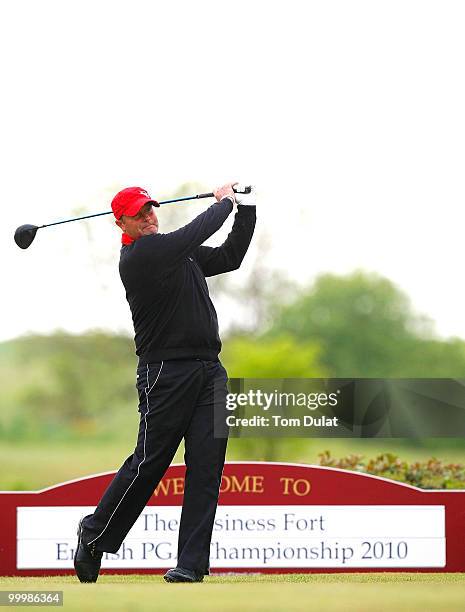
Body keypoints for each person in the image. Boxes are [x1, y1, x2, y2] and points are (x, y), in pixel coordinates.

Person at [73, 181, 256, 583]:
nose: (149, 217)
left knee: (207, 468)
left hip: (210, 371)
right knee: (149, 464)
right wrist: (225, 201)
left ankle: (191, 565)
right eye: (139, 214)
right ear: (120, 222)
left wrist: (247, 210)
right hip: (165, 374)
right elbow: (195, 232)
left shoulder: (177, 253)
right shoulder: (141, 255)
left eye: (151, 209)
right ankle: (93, 535)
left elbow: (230, 256)